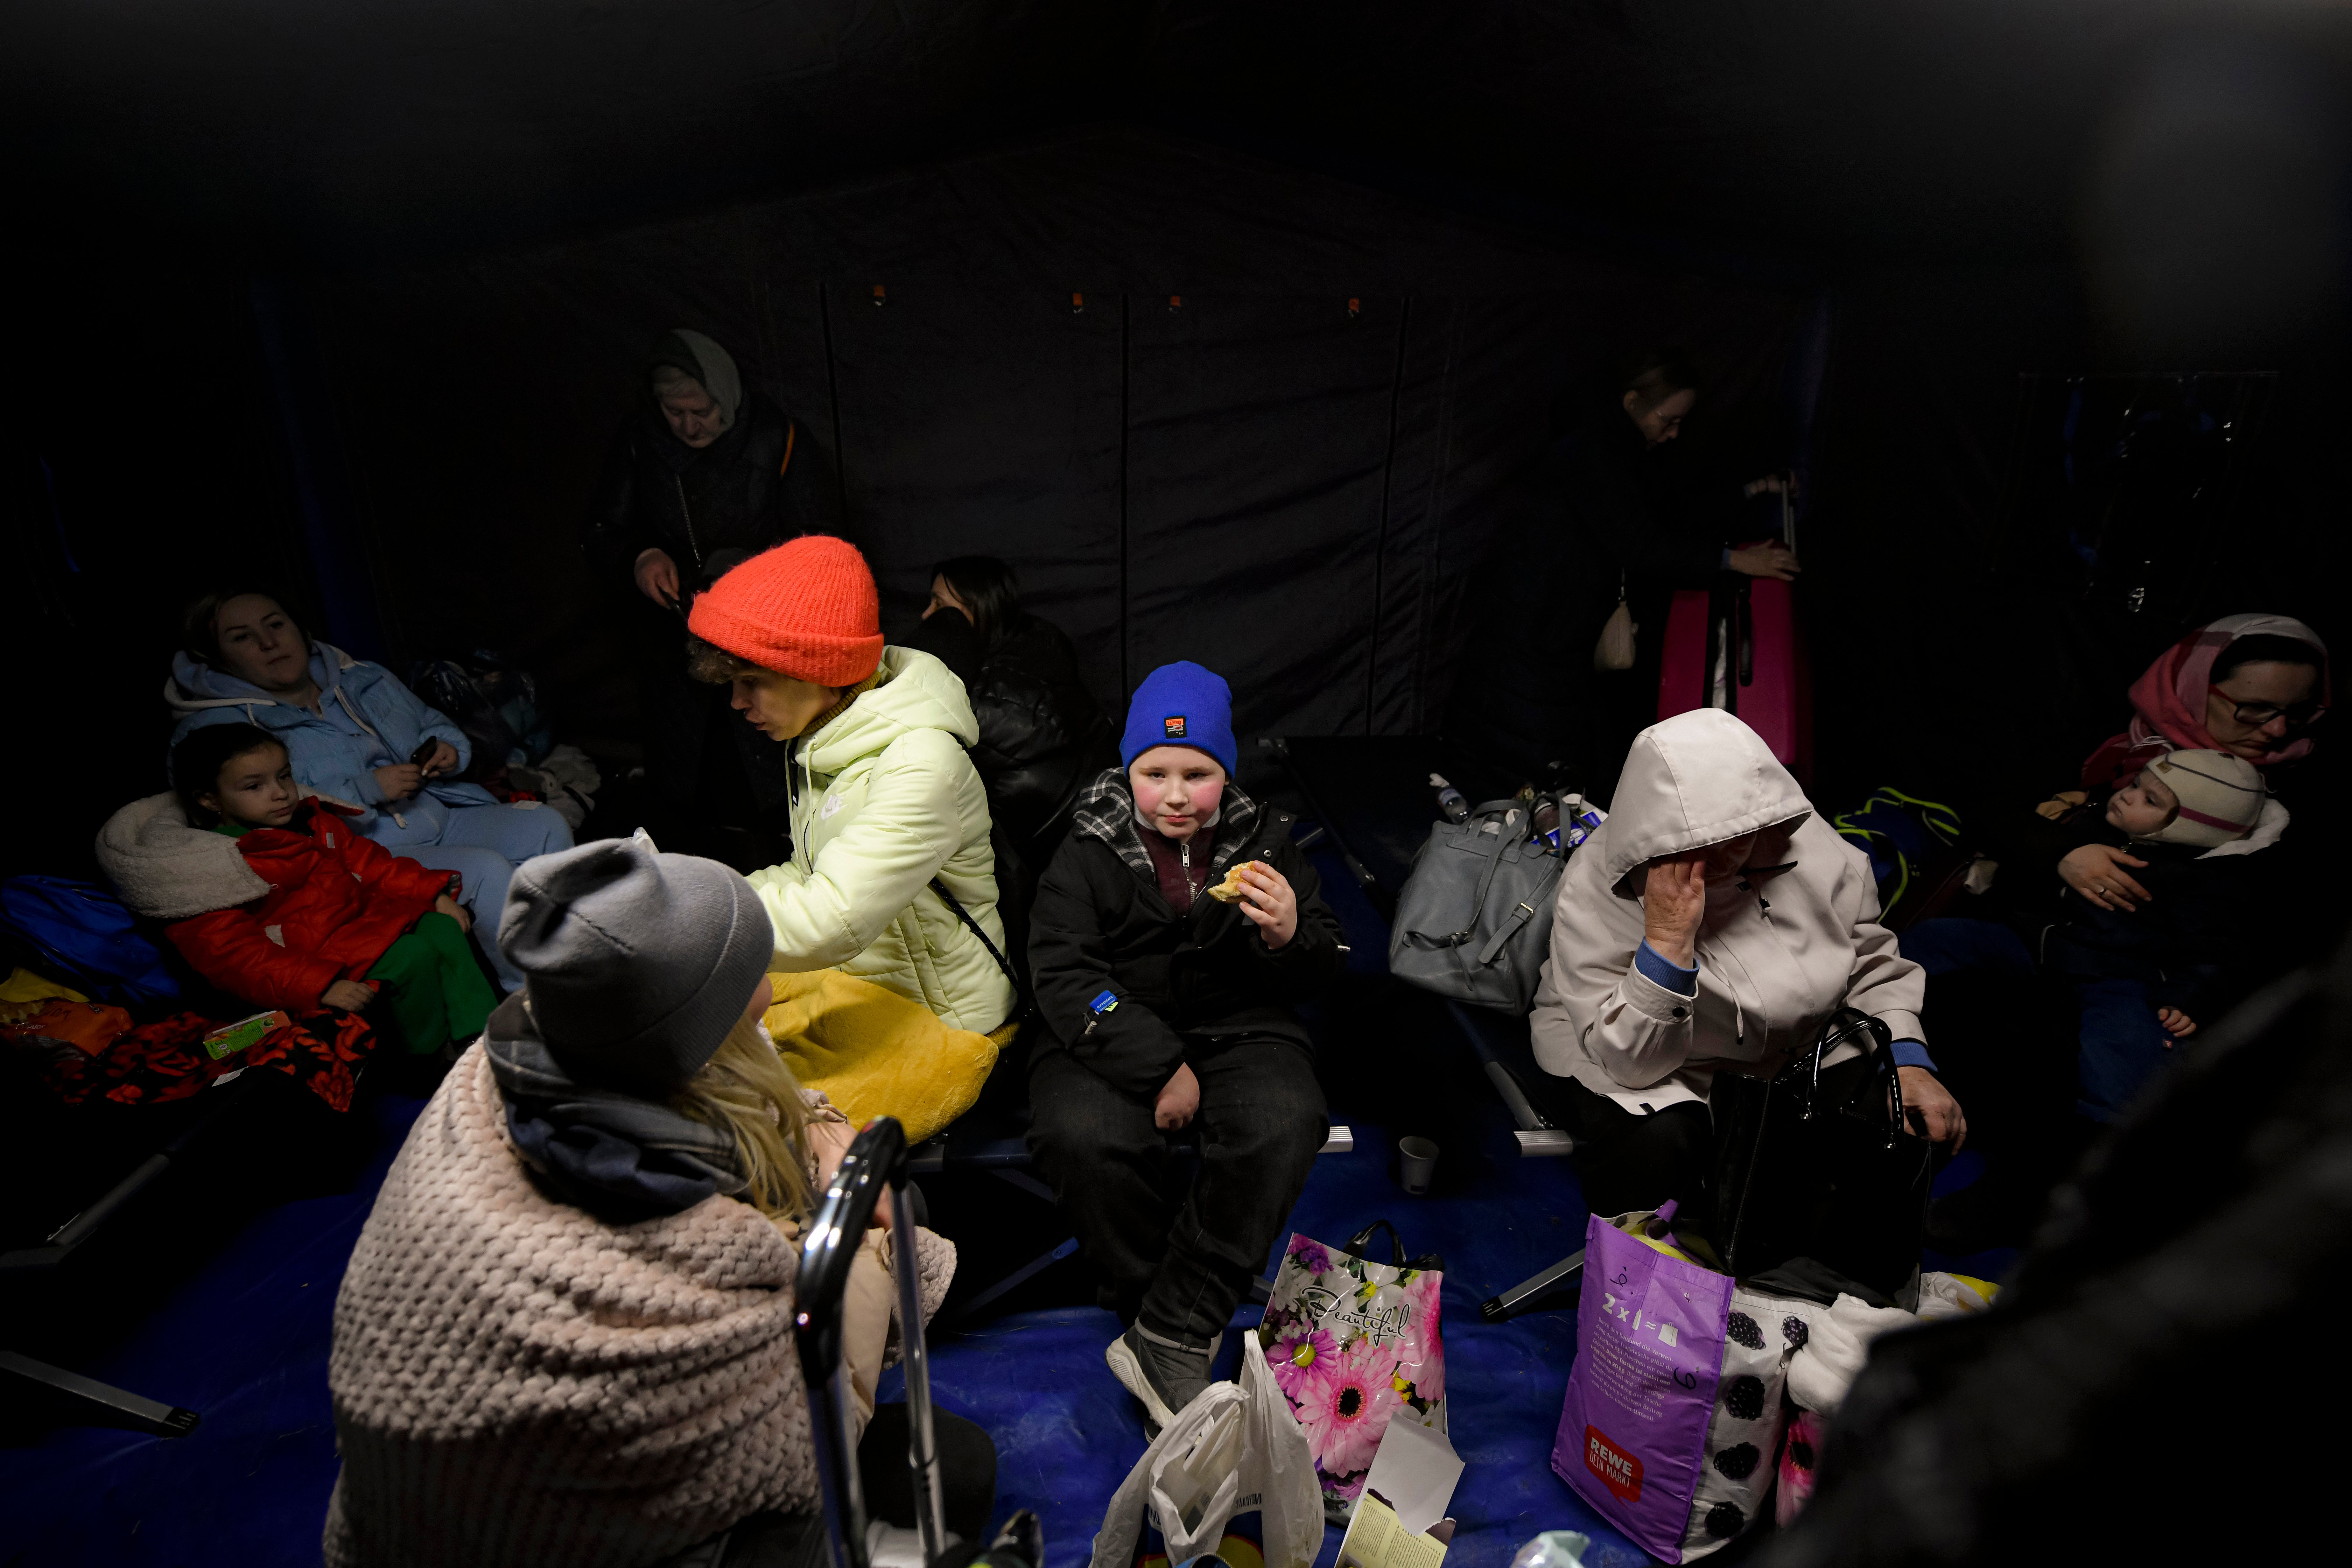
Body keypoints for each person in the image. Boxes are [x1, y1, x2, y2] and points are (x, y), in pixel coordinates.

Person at [321, 836, 990, 1568]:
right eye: (753, 974)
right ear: (706, 1022)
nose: (771, 982)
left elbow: (750, 1089)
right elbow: (795, 1446)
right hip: (552, 1537)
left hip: (402, 1516)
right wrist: (860, 1226)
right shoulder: (658, 1284)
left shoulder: (519, 1053)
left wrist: (817, 1137)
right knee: (952, 1466)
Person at [1024, 661, 1342, 1431]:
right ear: (1126, 769)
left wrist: (1288, 933)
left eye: (1196, 773)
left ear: (1224, 771)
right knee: (1085, 1134)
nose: (1174, 794)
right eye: (1154, 771)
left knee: (1283, 1117)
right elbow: (1063, 973)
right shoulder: (1085, 847)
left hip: (1238, 1020)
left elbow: (1326, 960)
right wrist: (1160, 1065)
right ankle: (1146, 1307)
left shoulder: (1264, 839)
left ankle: (1172, 1322)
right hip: (1111, 1022)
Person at [1528, 708, 1965, 1250]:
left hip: (1795, 1044)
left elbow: (1870, 960)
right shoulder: (1598, 884)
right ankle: (1662, 1268)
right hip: (1656, 1059)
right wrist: (1667, 942)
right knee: (1663, 1138)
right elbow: (1632, 1061)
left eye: (1736, 839)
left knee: (1903, 1118)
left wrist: (1907, 1058)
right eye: (1694, 843)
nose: (1717, 859)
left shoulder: (1807, 843)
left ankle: (1805, 1259)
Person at [685, 536, 1016, 1129]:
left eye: (752, 680)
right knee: (698, 1058)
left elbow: (831, 916)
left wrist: (691, 918)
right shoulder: (826, 738)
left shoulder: (920, 761)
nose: (736, 702)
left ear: (821, 670)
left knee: (760, 1132)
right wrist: (701, 888)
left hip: (944, 1020)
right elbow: (808, 873)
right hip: (861, 983)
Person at [1905, 750, 2287, 1251]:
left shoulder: (2206, 883)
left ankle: (2085, 1160)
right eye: (2135, 785)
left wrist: (2189, 999)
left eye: (2149, 799)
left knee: (2123, 1051)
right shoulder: (2096, 823)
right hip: (2037, 945)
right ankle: (1870, 1033)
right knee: (1935, 940)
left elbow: (2220, 955)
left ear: (2192, 828)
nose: (2127, 795)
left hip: (2118, 975)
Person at [166, 590, 573, 991]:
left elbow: (431, 720)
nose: (269, 642)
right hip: (359, 852)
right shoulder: (214, 731)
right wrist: (364, 789)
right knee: (486, 870)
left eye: (276, 625)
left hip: (439, 811)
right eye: (242, 637)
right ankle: (534, 993)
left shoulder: (363, 678)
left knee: (544, 823)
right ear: (217, 658)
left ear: (300, 629)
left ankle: (575, 954)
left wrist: (447, 746)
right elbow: (257, 815)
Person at [1449, 349, 1801, 797]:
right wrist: (1736, 561)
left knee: (1544, 745)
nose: (1673, 433)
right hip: (1537, 626)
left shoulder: (1621, 449)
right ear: (1632, 400)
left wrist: (1755, 488)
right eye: (1667, 419)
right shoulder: (1593, 452)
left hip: (1552, 626)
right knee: (1526, 746)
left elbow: (1673, 512)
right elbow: (1642, 543)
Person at [581, 328, 837, 867]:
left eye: (700, 411)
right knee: (692, 774)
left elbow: (821, 538)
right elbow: (604, 526)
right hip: (677, 638)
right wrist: (641, 555)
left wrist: (752, 573)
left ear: (725, 397)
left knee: (769, 765)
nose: (689, 426)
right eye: (675, 413)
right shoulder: (640, 440)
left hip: (762, 635)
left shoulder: (777, 438)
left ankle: (787, 866)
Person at [127, 723, 497, 1056]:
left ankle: (481, 1037)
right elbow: (233, 955)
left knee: (442, 926)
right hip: (316, 959)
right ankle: (428, 1058)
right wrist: (319, 985)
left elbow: (372, 865)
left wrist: (433, 894)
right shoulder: (212, 864)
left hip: (362, 927)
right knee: (411, 955)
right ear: (209, 799)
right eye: (255, 786)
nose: (280, 794)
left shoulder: (313, 821)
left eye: (284, 777)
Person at [2068, 613, 2326, 912]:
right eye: (2255, 707)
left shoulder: (2307, 787)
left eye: (2299, 711)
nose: (2278, 730)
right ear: (2193, 689)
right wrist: (2061, 852)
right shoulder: (2104, 744)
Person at [903, 554, 1108, 856]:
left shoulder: (985, 700)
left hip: (1044, 856)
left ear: (980, 609)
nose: (926, 615)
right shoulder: (1045, 653)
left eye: (939, 604)